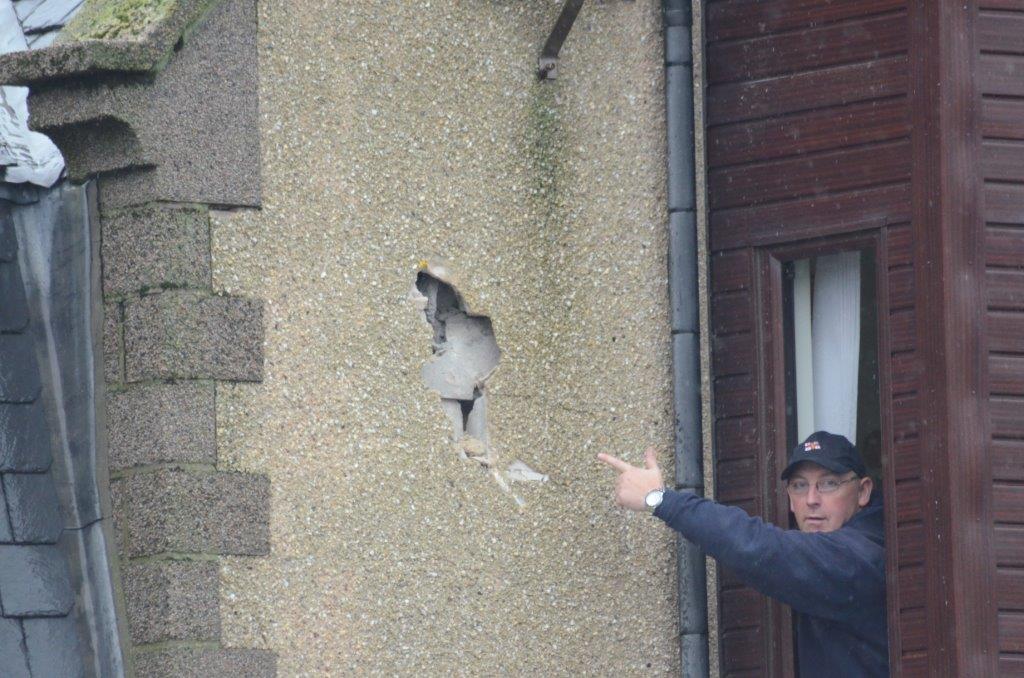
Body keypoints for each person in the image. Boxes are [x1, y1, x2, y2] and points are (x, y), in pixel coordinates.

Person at [598, 430, 888, 677]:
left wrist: (660, 500)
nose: (811, 500)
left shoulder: (861, 557)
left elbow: (760, 548)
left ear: (863, 492)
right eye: (799, 486)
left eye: (828, 484)